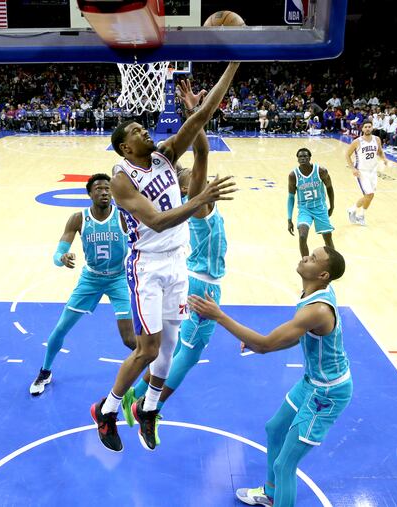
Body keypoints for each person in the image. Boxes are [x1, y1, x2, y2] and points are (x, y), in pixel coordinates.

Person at [90, 62, 240, 453]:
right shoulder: (122, 178)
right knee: (149, 349)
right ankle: (105, 410)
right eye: (139, 132)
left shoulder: (166, 155)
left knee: (170, 347)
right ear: (126, 147)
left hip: (177, 264)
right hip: (147, 268)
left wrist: (235, 60)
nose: (146, 131)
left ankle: (149, 409)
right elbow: (155, 220)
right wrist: (201, 199)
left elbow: (205, 116)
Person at [188, 246, 351, 507]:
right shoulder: (313, 293)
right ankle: (271, 494)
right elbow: (290, 338)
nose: (306, 255)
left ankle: (279, 497)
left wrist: (218, 315)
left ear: (322, 274)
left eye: (314, 258)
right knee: (275, 429)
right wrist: (255, 343)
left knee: (285, 464)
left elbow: (265, 346)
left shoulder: (318, 309)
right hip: (312, 382)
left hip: (327, 393)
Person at [120, 79, 228, 424]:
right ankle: (145, 406)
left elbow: (199, 150)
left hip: (184, 274)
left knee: (170, 351)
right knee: (185, 354)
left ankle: (142, 401)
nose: (187, 174)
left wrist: (192, 110)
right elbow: (202, 155)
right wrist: (195, 112)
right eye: (186, 176)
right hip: (197, 283)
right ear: (186, 187)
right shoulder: (198, 206)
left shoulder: (189, 198)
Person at [29, 173, 137, 395]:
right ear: (89, 193)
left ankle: (156, 366)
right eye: (99, 189)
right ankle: (45, 371)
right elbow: (58, 252)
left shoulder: (124, 216)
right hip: (91, 279)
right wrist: (62, 257)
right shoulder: (78, 218)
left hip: (117, 278)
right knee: (60, 329)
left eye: (107, 188)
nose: (104, 192)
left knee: (129, 339)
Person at [287, 148, 335, 257]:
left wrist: (332, 206)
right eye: (300, 157)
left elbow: (330, 187)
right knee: (302, 236)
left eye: (305, 156)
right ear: (297, 159)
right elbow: (290, 197)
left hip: (320, 208)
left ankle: (333, 263)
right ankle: (306, 263)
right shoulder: (293, 175)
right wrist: (289, 219)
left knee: (327, 238)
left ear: (309, 158)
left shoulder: (321, 171)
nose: (302, 158)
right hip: (305, 209)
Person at [345, 120, 388, 226]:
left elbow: (380, 152)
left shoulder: (377, 139)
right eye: (366, 127)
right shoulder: (357, 141)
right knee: (369, 194)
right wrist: (353, 169)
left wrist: (384, 159)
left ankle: (357, 213)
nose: (368, 128)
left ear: (372, 127)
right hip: (361, 172)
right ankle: (356, 212)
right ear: (362, 129)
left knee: (370, 196)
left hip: (373, 171)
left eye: (369, 126)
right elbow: (347, 155)